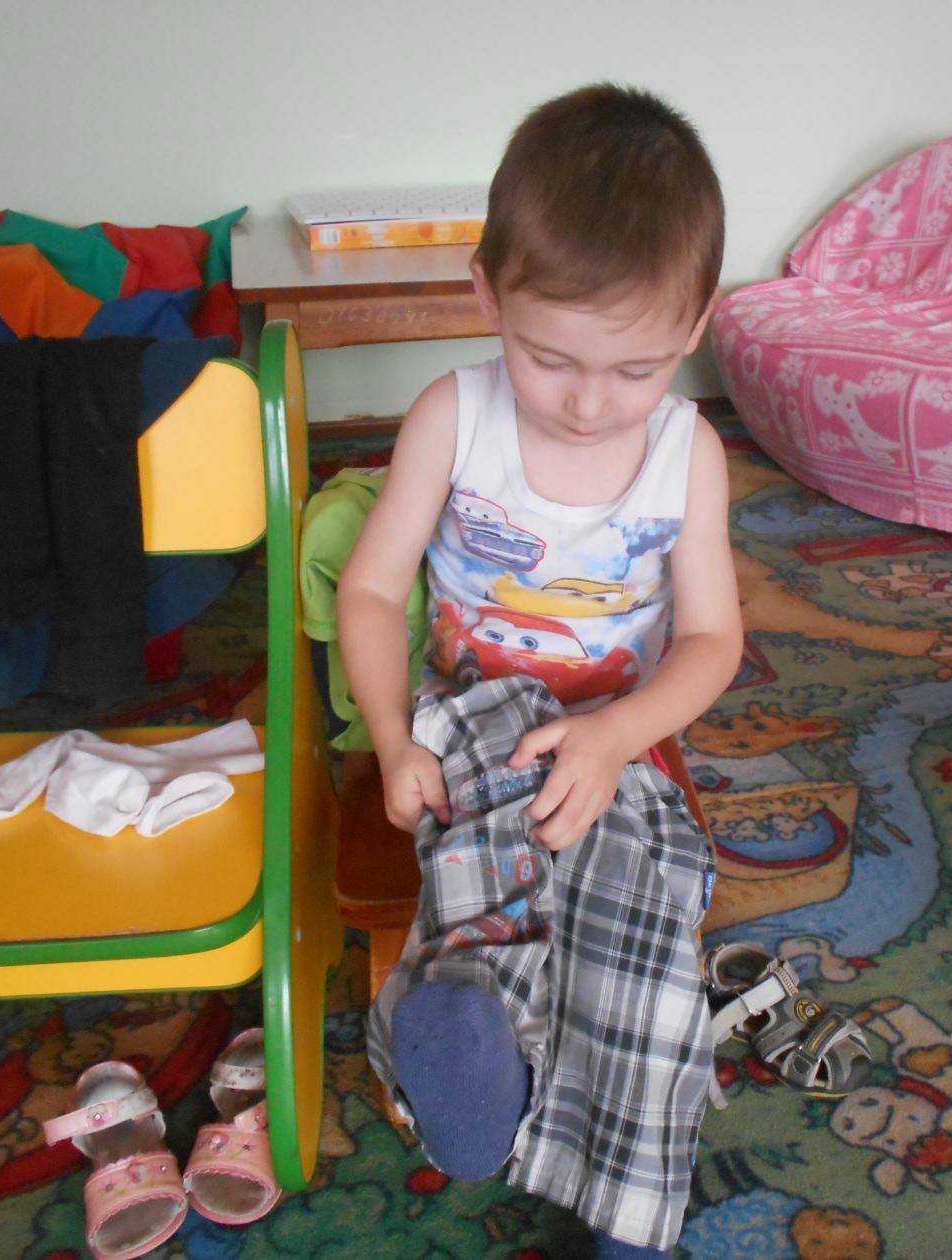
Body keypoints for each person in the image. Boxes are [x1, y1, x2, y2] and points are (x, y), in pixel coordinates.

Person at [337, 83, 741, 1258]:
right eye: (548, 357)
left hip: (617, 725)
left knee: (642, 905)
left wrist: (616, 737)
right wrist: (393, 738)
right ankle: (470, 1042)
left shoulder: (689, 455)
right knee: (487, 866)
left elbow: (712, 641)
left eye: (635, 369)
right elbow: (371, 592)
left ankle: (623, 1208)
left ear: (697, 324)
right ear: (486, 296)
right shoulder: (453, 418)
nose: (587, 403)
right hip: (473, 716)